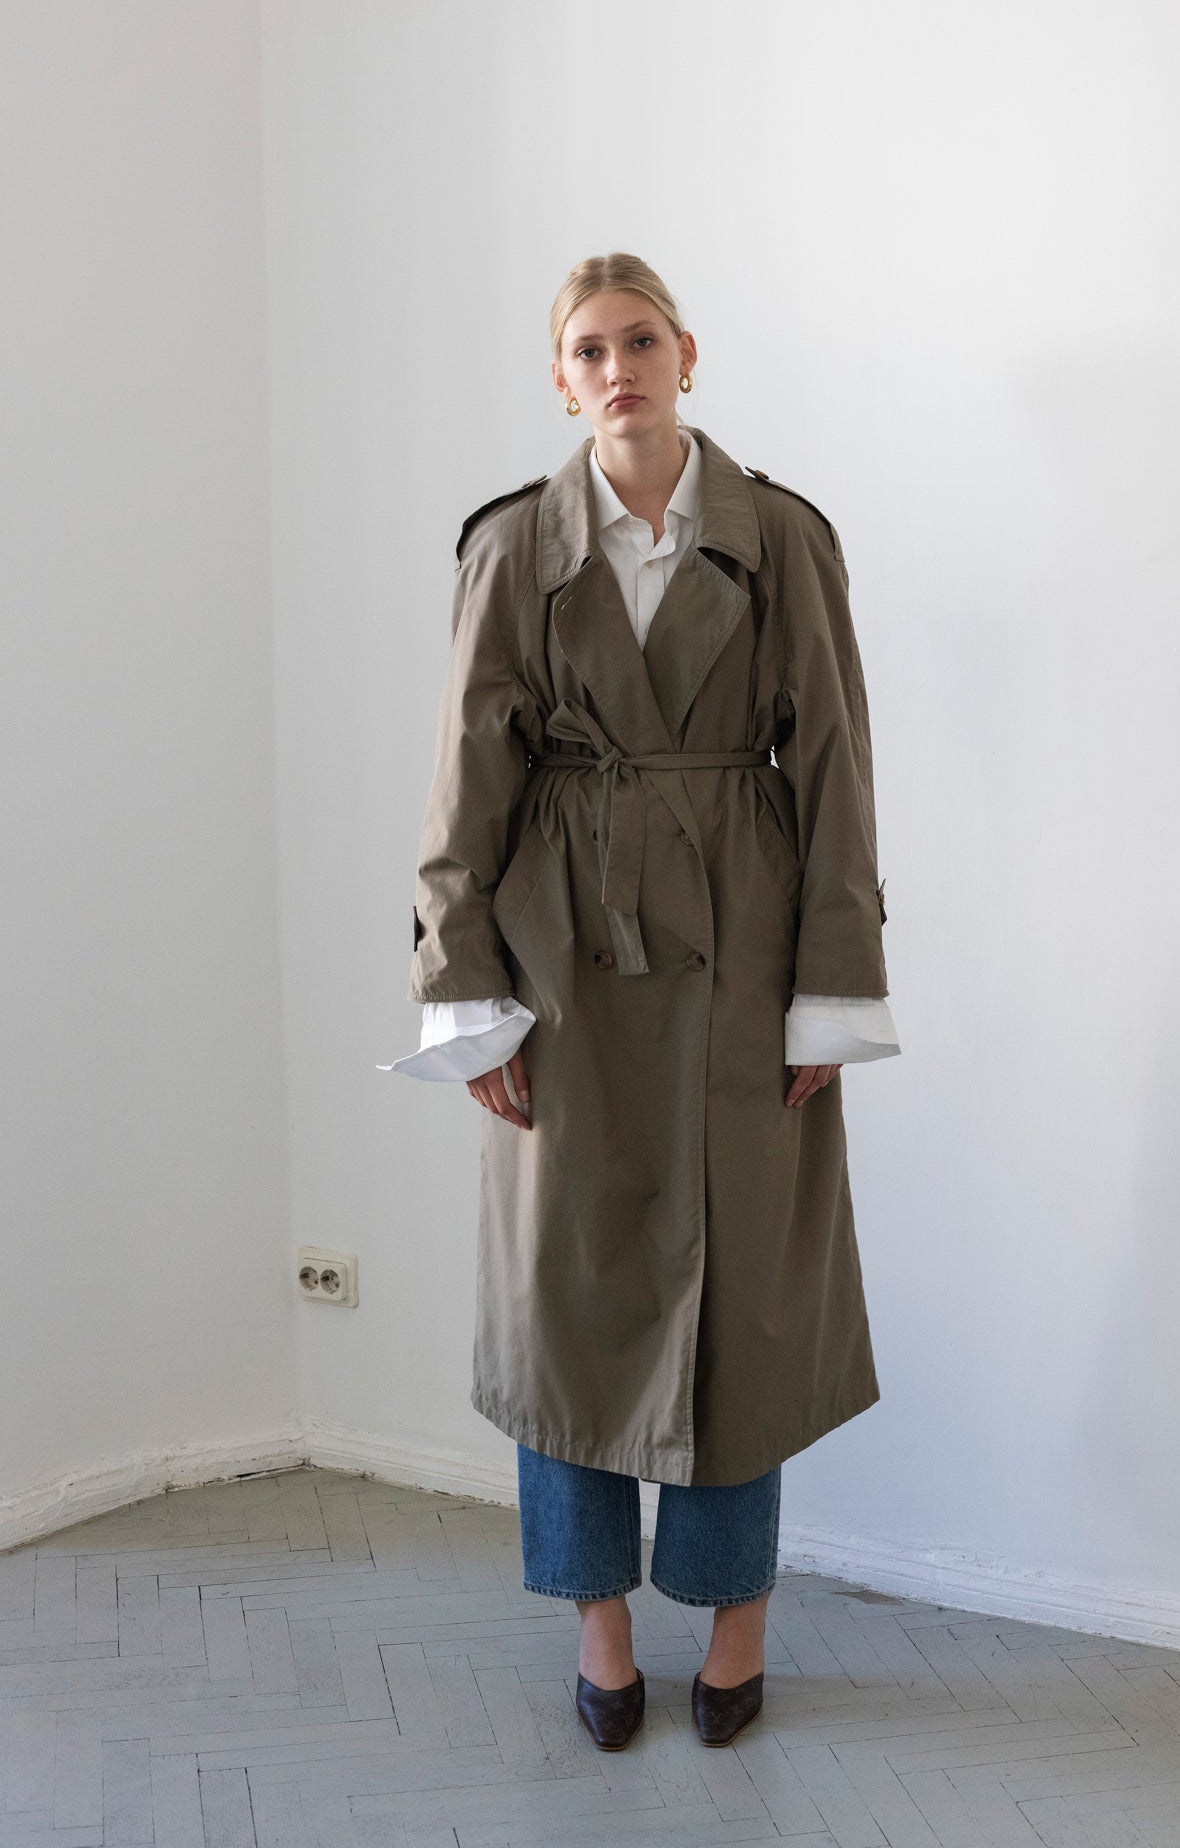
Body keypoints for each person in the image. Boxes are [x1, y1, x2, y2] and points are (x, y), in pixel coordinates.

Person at [378, 253, 900, 1750]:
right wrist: (463, 993)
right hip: (563, 950)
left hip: (748, 943)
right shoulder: (513, 548)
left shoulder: (780, 537)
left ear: (686, 354)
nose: (619, 369)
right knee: (568, 1297)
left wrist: (831, 988)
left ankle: (735, 1622)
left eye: (642, 341)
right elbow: (464, 781)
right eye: (590, 350)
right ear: (562, 380)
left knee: (747, 1297)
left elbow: (836, 764)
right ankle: (598, 1625)